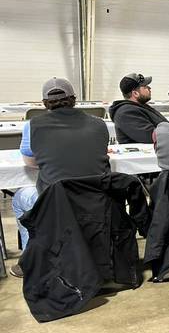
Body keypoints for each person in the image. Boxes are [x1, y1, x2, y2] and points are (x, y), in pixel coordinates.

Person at [10, 78, 110, 277]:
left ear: (44, 103)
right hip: (95, 200)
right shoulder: (99, 124)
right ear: (73, 99)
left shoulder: (34, 125)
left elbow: (30, 162)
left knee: (20, 197)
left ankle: (33, 260)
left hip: (56, 203)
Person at [109, 73, 167, 144]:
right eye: (145, 86)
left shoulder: (140, 106)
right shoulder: (126, 113)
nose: (149, 88)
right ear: (135, 93)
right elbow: (150, 136)